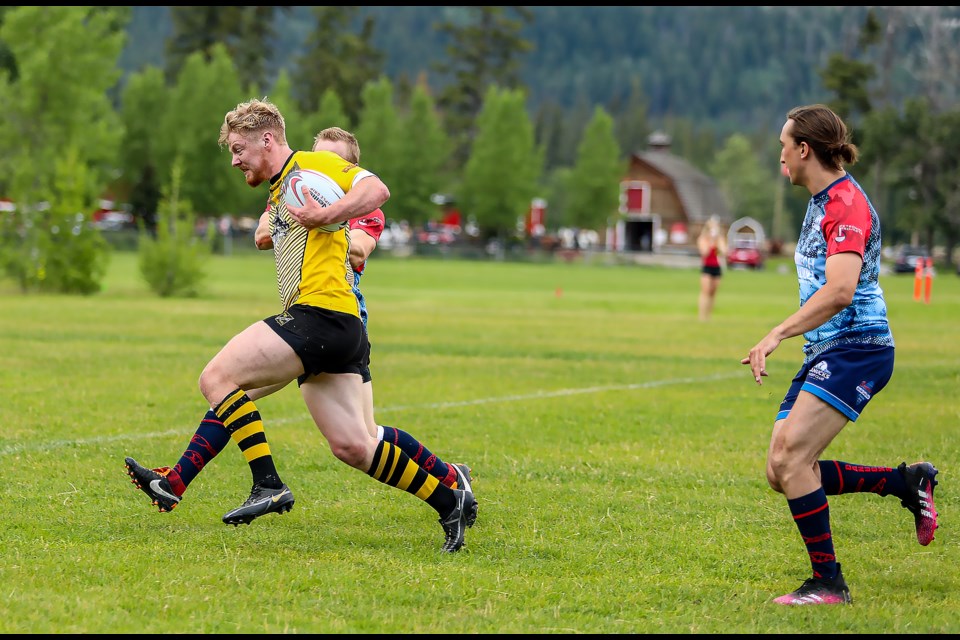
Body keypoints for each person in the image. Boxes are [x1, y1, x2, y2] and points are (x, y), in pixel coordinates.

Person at [125, 98, 477, 553]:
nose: (234, 160)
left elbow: (378, 192)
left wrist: (325, 216)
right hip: (337, 325)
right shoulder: (283, 185)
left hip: (321, 315)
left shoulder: (312, 167)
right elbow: (266, 233)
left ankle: (267, 483)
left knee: (217, 379)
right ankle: (449, 499)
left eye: (238, 149)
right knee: (353, 445)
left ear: (267, 139)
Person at [742, 104, 939, 605]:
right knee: (779, 471)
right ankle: (903, 482)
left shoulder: (845, 204)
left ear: (804, 149)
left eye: (784, 146)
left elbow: (841, 290)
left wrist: (775, 334)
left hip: (860, 348)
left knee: (792, 459)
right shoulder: (819, 199)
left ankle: (829, 583)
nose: (780, 156)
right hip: (827, 348)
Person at [253, 126, 472, 490]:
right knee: (367, 434)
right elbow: (262, 234)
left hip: (340, 318)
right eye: (318, 158)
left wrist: (325, 218)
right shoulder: (295, 192)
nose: (322, 167)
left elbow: (358, 249)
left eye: (334, 161)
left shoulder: (363, 210)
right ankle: (452, 477)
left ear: (350, 169)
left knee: (232, 388)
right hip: (307, 311)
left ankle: (230, 482)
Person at [697, 216, 726, 321]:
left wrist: (717, 241)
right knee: (705, 291)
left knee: (713, 292)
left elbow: (723, 252)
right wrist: (710, 241)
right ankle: (701, 315)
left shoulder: (719, 239)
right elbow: (704, 252)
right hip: (707, 267)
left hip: (717, 267)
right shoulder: (703, 239)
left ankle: (708, 315)